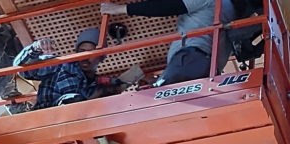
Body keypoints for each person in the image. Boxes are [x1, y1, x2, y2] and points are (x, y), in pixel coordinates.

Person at [101, 0, 236, 86]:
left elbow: (164, 7)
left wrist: (118, 9)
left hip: (191, 59)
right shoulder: (228, 8)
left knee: (160, 103)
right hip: (203, 66)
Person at [13, 28, 125, 109]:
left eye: (91, 53)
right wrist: (36, 47)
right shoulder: (60, 64)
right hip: (45, 117)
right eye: (81, 52)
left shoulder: (95, 85)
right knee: (72, 99)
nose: (85, 57)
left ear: (101, 57)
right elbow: (23, 69)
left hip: (74, 125)